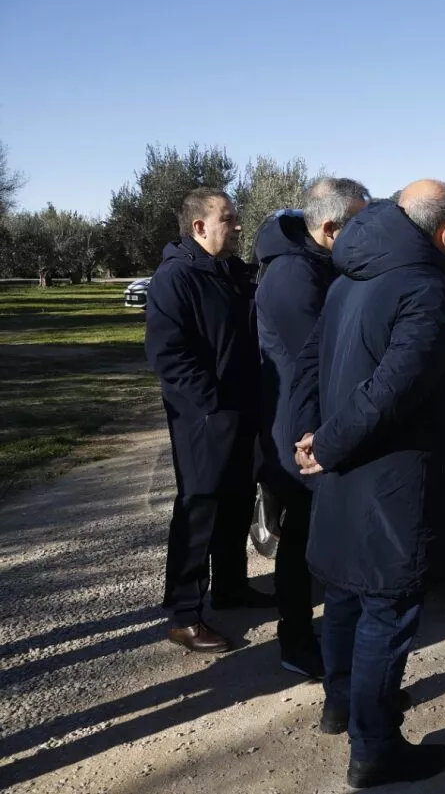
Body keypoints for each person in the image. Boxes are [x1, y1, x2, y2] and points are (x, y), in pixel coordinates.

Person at [289, 182, 445, 789]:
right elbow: (392, 390)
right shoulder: (426, 287)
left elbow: (309, 364)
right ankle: (375, 747)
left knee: (344, 594)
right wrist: (326, 444)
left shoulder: (347, 277)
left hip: (343, 471)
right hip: (392, 480)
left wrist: (310, 435)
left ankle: (341, 705)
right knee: (386, 612)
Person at [145, 187, 273, 654]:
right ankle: (184, 615)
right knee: (199, 508)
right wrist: (212, 405)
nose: (238, 226)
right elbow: (168, 355)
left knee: (237, 501)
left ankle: (231, 587)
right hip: (203, 418)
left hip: (241, 411)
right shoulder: (175, 278)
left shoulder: (230, 272)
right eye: (228, 218)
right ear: (199, 226)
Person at [254, 177, 369, 677]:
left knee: (315, 535)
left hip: (317, 421)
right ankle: (296, 641)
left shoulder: (316, 264)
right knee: (300, 539)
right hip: (299, 429)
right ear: (330, 228)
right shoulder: (293, 275)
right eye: (359, 224)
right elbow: (321, 356)